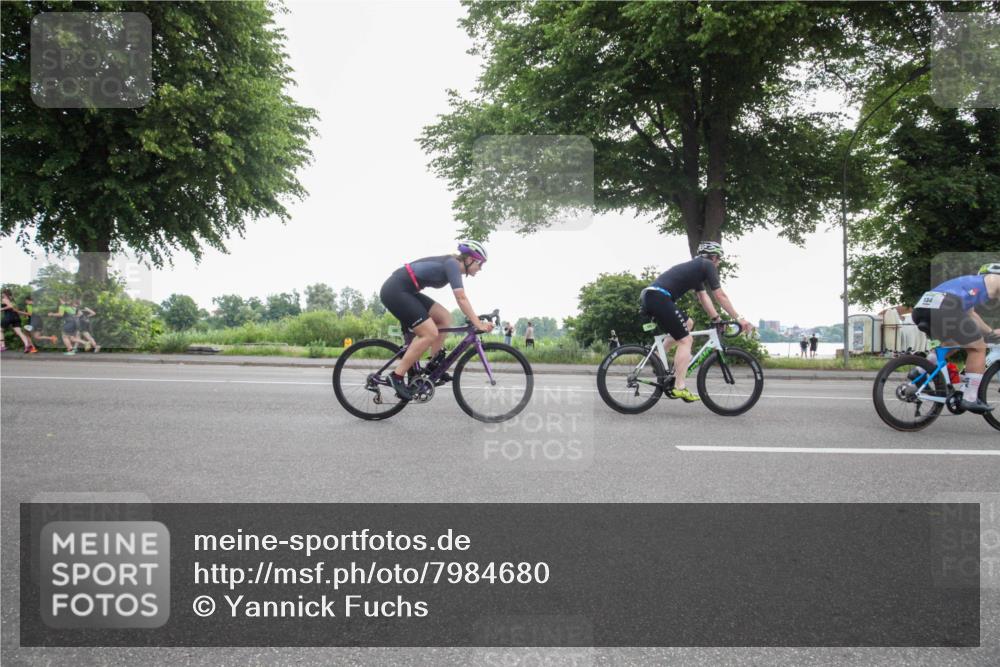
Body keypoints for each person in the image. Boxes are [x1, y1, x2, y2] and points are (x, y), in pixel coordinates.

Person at [640, 241, 753, 403]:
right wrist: (739, 318)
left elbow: (703, 297)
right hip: (659, 297)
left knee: (689, 324)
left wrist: (717, 319)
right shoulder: (707, 265)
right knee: (686, 340)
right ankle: (679, 387)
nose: (719, 263)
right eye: (719, 259)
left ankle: (657, 358)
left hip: (652, 296)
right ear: (713, 256)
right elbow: (720, 295)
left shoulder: (697, 268)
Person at [379, 240, 492, 399]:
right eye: (479, 264)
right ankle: (396, 376)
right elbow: (461, 297)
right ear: (469, 259)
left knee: (445, 317)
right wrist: (477, 323)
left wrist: (475, 319)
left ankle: (433, 366)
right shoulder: (452, 264)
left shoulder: (452, 265)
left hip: (408, 291)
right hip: (395, 290)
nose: (480, 268)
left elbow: (461, 299)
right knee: (429, 333)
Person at [912, 263, 1000, 413]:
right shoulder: (995, 278)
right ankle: (970, 398)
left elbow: (971, 315)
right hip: (945, 307)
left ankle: (919, 372)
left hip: (922, 309)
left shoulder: (966, 286)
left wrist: (991, 332)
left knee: (952, 344)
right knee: (978, 349)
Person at [1, 289, 38, 353]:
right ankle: (27, 345)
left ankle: (2, 346)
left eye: (2, 293)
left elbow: (10, 306)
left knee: (0, 330)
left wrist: (1, 308)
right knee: (19, 332)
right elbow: (15, 308)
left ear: (4, 294)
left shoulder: (4, 299)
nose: (1, 294)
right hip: (16, 317)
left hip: (8, 317)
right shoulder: (13, 300)